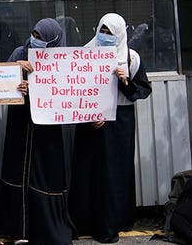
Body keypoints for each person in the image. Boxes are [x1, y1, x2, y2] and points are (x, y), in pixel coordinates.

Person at [69, 13, 152, 243]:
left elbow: (142, 90)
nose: (105, 36)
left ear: (120, 34)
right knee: (88, 170)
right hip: (90, 122)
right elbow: (74, 89)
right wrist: (90, 114)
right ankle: (83, 222)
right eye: (102, 31)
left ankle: (110, 223)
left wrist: (125, 81)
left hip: (119, 123)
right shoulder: (85, 53)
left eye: (110, 32)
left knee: (113, 173)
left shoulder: (131, 58)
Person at [0, 18, 73, 245]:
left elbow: (65, 90)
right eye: (35, 35)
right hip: (20, 121)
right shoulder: (20, 52)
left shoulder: (60, 59)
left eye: (42, 37)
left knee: (44, 170)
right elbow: (2, 81)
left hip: (47, 126)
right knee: (17, 168)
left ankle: (43, 229)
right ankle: (17, 229)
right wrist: (17, 75)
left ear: (54, 40)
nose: (36, 40)